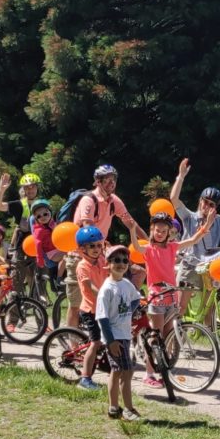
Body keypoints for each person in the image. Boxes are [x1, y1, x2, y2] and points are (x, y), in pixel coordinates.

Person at [128, 209, 216, 387]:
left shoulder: (172, 247)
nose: (160, 234)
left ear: (169, 232)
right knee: (155, 336)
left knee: (168, 337)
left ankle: (163, 370)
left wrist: (206, 227)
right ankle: (149, 373)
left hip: (171, 297)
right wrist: (132, 230)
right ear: (152, 230)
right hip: (157, 297)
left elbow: (191, 241)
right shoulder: (149, 249)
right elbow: (136, 247)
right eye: (157, 230)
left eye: (164, 231)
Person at [65, 164, 138, 328]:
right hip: (79, 254)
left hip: (99, 254)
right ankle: (71, 342)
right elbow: (88, 229)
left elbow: (131, 223)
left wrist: (149, 244)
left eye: (114, 180)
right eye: (107, 180)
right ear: (98, 182)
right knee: (76, 303)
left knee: (134, 273)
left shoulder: (114, 201)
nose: (112, 183)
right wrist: (103, 247)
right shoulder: (88, 201)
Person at [169, 158, 220, 313]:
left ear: (215, 207)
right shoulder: (190, 217)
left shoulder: (219, 220)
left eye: (211, 204)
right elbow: (174, 200)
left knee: (210, 307)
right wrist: (181, 176)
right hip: (190, 264)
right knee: (180, 307)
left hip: (210, 267)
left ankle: (210, 333)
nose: (207, 206)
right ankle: (175, 334)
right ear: (200, 200)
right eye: (205, 202)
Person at [97, 245, 144, 421]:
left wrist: (129, 313)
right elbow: (102, 318)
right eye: (116, 260)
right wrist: (110, 341)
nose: (122, 264)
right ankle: (128, 409)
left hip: (124, 335)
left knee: (118, 371)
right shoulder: (106, 290)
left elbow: (136, 298)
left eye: (125, 260)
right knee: (124, 371)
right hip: (114, 337)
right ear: (107, 264)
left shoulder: (126, 284)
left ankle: (114, 408)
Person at [0, 172, 42, 301]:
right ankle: (13, 317)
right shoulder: (19, 204)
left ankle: (40, 314)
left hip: (39, 248)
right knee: (17, 282)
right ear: (23, 190)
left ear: (37, 188)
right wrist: (2, 189)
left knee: (39, 283)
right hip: (22, 248)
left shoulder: (43, 204)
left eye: (33, 186)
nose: (30, 190)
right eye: (27, 187)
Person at [74, 226, 110, 391]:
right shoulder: (82, 266)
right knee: (95, 343)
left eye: (98, 245)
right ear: (83, 249)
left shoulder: (102, 260)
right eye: (92, 246)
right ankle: (85, 379)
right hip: (91, 310)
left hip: (104, 308)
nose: (96, 249)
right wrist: (105, 296)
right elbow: (89, 287)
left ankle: (107, 364)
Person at [29, 199, 64, 291]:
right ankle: (59, 279)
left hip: (59, 249)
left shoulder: (54, 224)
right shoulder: (38, 230)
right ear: (36, 219)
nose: (43, 217)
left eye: (45, 214)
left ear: (50, 213)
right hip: (51, 253)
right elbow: (38, 245)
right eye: (39, 216)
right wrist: (39, 259)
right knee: (67, 256)